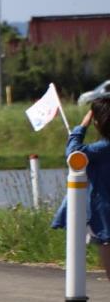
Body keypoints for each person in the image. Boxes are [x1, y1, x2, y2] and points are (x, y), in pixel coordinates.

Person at [53, 98, 110, 282]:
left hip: (105, 215)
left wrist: (82, 126)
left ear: (97, 121)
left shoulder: (102, 148)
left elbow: (73, 153)